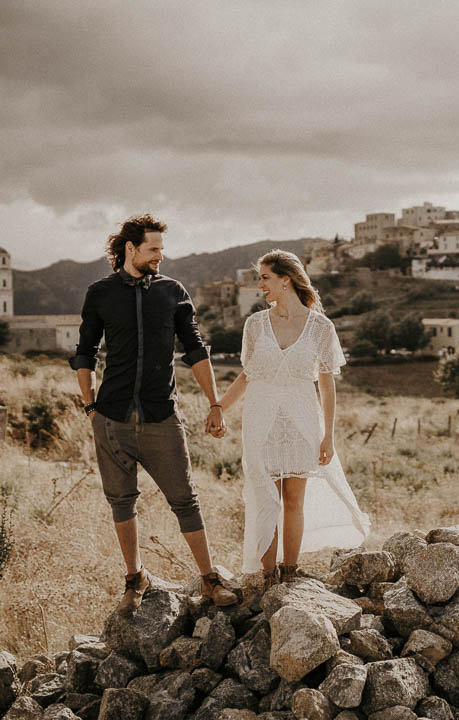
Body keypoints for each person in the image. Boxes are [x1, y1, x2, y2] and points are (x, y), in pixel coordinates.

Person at [70, 214, 237, 616]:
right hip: (111, 418)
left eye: (161, 249)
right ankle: (135, 577)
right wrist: (90, 404)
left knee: (185, 500)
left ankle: (209, 578)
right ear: (131, 249)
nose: (161, 256)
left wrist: (215, 403)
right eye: (154, 249)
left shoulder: (173, 292)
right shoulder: (100, 293)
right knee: (121, 501)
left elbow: (196, 350)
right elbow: (85, 351)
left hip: (162, 416)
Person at [218, 250, 370, 586]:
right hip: (262, 421)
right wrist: (219, 407)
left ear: (286, 279)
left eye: (265, 278)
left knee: (293, 499)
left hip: (303, 420)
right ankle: (267, 573)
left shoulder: (321, 328)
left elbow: (328, 387)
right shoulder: (255, 325)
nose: (261, 285)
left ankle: (289, 571)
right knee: (265, 497)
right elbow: (247, 376)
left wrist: (327, 435)